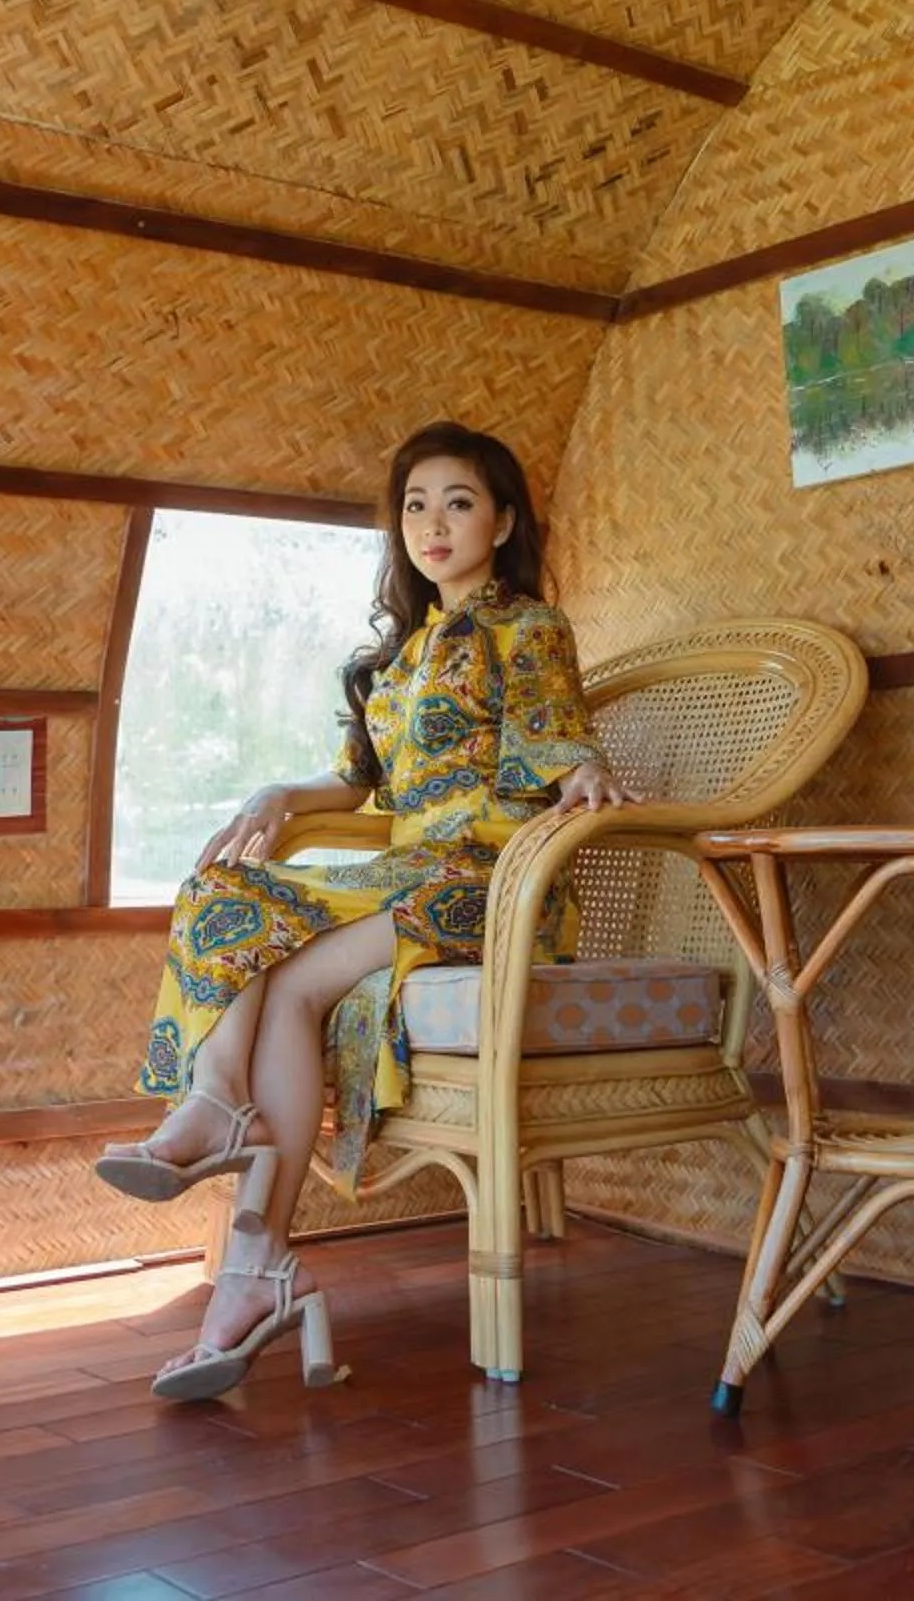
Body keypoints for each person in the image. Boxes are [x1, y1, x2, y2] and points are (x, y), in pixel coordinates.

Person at [93, 421, 642, 1400]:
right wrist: (282, 794)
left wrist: (588, 767)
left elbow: (561, 736)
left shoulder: (528, 629)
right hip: (409, 874)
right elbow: (358, 782)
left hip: (493, 883)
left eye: (459, 501)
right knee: (220, 894)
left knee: (293, 983)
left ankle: (248, 1252)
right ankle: (227, 1140)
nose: (433, 522)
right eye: (416, 504)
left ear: (503, 518)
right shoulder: (399, 657)